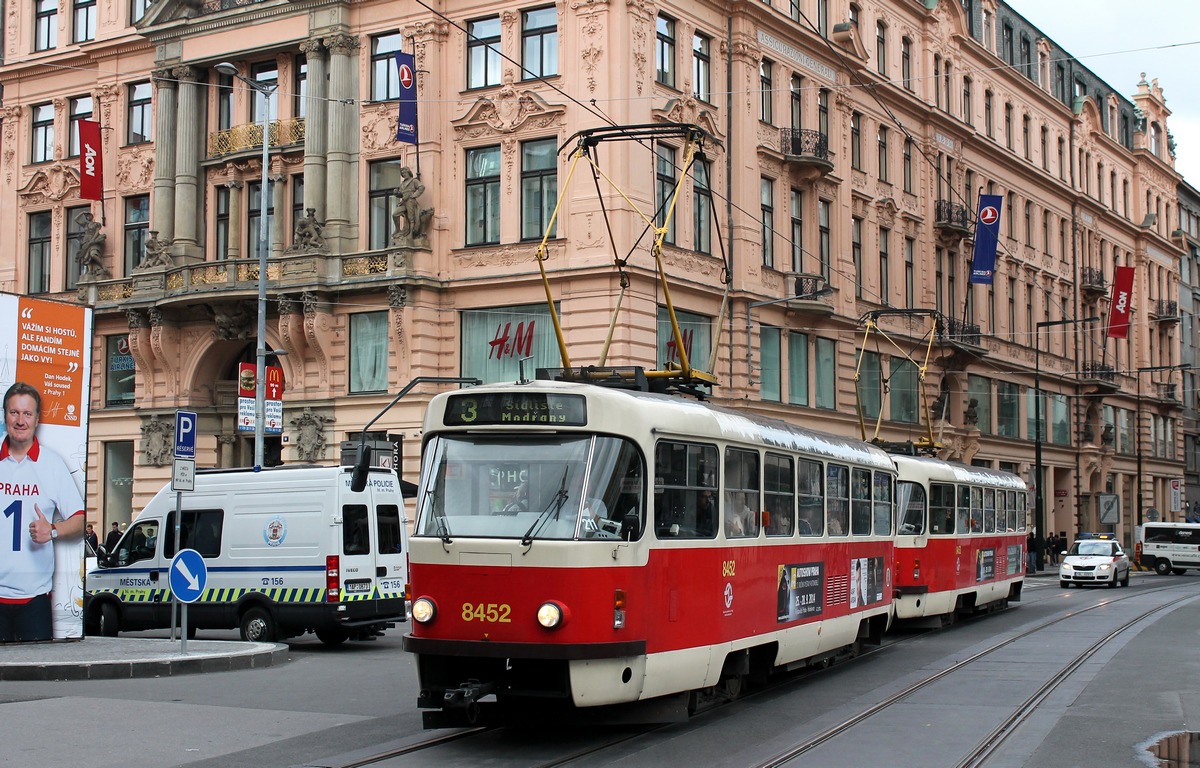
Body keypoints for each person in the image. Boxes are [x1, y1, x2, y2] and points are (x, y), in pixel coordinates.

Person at [0, 382, 86, 642]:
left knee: (34, 680)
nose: (20, 420)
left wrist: (53, 530)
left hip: (34, 600)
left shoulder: (52, 464)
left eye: (27, 414)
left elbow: (80, 520)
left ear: (37, 419)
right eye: (14, 412)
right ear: (5, 415)